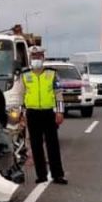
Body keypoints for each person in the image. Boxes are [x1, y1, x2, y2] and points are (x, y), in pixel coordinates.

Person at [22, 46, 67, 184]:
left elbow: (58, 94)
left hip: (48, 112)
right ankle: (41, 175)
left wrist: (60, 112)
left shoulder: (51, 74)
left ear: (43, 57)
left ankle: (57, 175)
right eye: (34, 56)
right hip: (32, 113)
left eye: (39, 56)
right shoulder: (25, 75)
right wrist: (21, 114)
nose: (36, 59)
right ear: (30, 58)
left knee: (53, 144)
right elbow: (20, 95)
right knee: (36, 145)